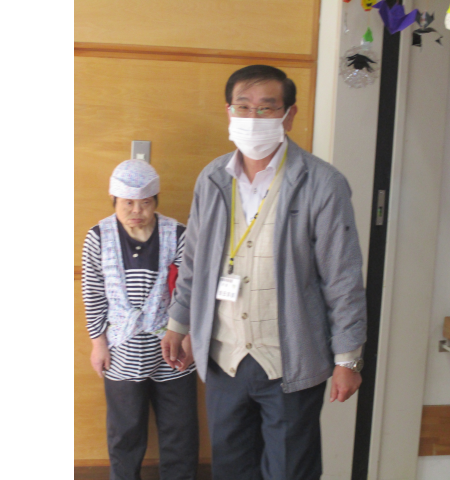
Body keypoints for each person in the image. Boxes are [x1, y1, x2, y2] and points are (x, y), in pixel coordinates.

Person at [162, 65, 367, 480]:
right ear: (229, 112)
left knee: (290, 470)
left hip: (291, 359)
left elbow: (342, 278)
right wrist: (178, 323)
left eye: (267, 108)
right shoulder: (212, 179)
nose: (253, 117)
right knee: (230, 468)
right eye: (244, 107)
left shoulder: (322, 183)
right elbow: (194, 261)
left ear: (288, 116)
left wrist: (348, 357)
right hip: (224, 357)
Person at [82, 159, 199, 480]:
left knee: (180, 431)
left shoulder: (178, 233)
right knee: (125, 433)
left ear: (155, 201)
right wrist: (98, 344)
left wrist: (189, 337)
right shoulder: (98, 236)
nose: (137, 211)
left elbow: (190, 290)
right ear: (114, 200)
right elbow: (93, 294)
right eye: (128, 203)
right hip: (121, 350)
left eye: (145, 203)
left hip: (173, 349)